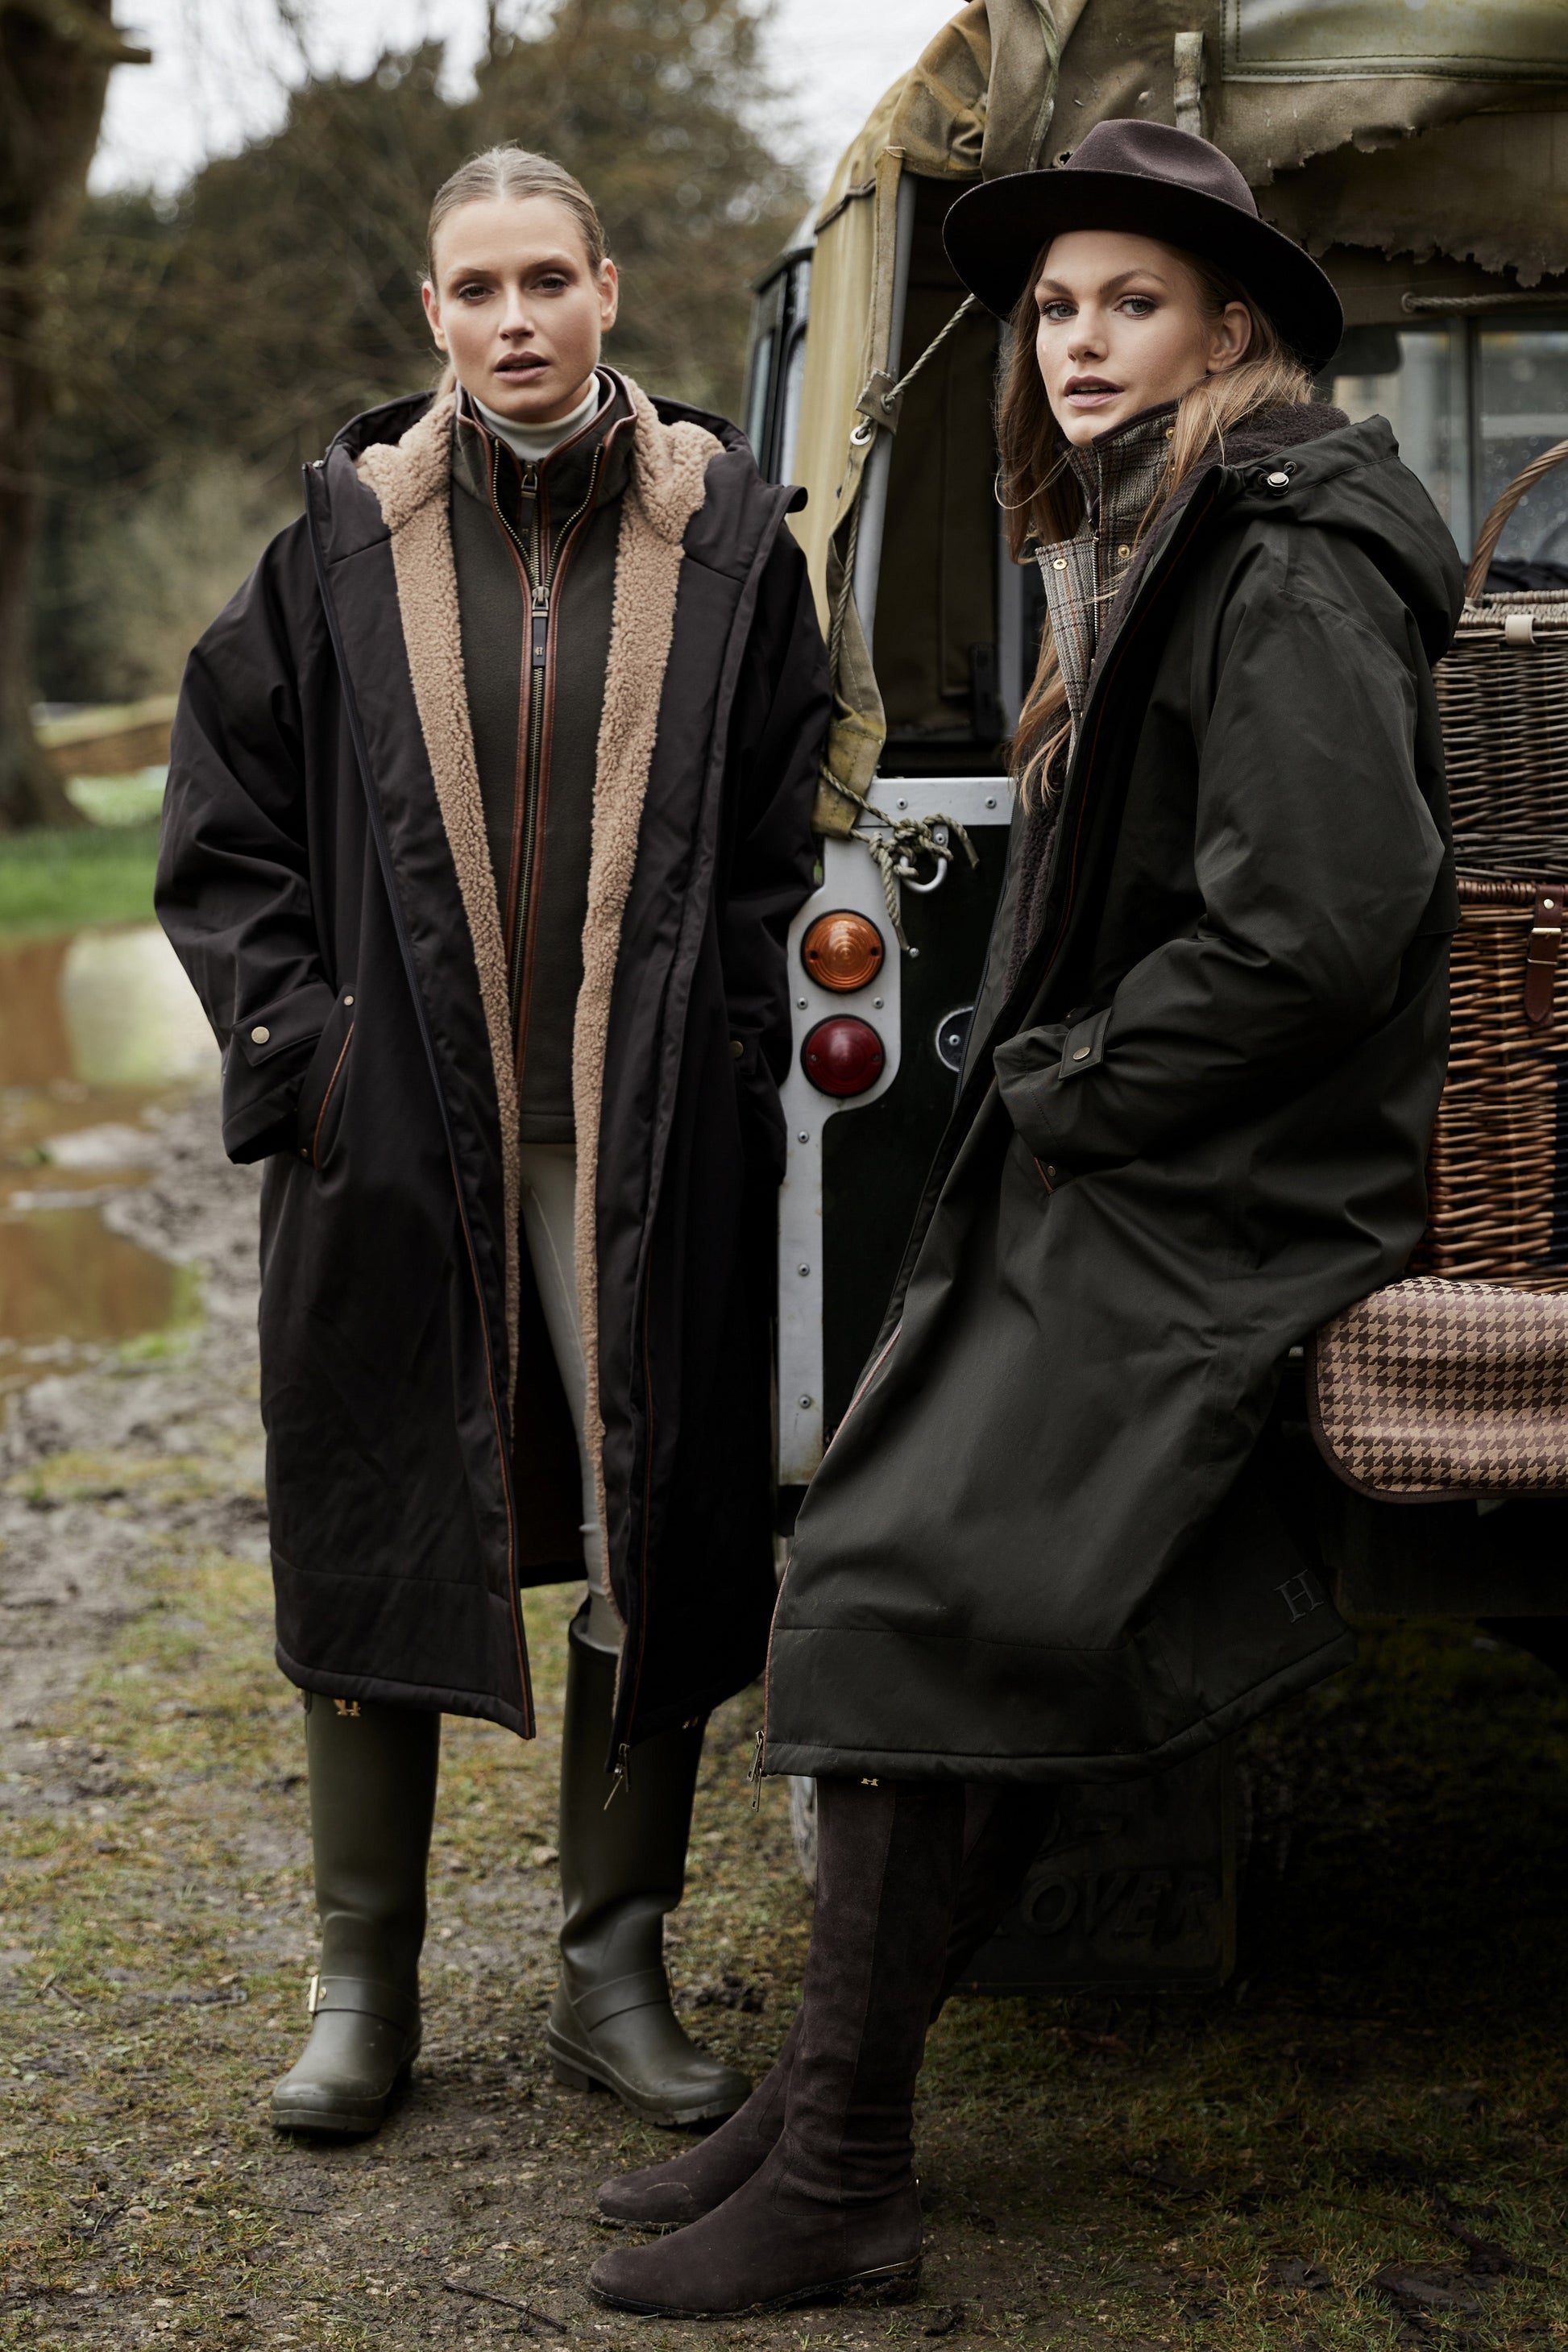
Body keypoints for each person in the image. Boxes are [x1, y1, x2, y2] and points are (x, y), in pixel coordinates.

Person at [587, 118, 1464, 2316]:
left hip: (1239, 1181)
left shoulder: (1288, 555)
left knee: (895, 1578)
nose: (1078, 342)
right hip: (1160, 1159)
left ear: (1230, 328)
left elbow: (1322, 924)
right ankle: (826, 2108)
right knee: (916, 1574)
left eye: (1130, 305)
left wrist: (1069, 1083)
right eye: (1056, 308)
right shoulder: (1160, 528)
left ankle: (845, 2164)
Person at [156, 146, 828, 2139]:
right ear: (432, 314)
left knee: (656, 1511)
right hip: (395, 1133)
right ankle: (360, 1984)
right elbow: (221, 819)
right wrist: (306, 1051)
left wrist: (729, 1040)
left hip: (636, 1134)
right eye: (477, 287)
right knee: (374, 1508)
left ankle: (610, 1969)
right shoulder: (339, 547)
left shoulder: (728, 541)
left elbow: (780, 827)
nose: (514, 318)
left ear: (609, 290)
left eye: (547, 278)